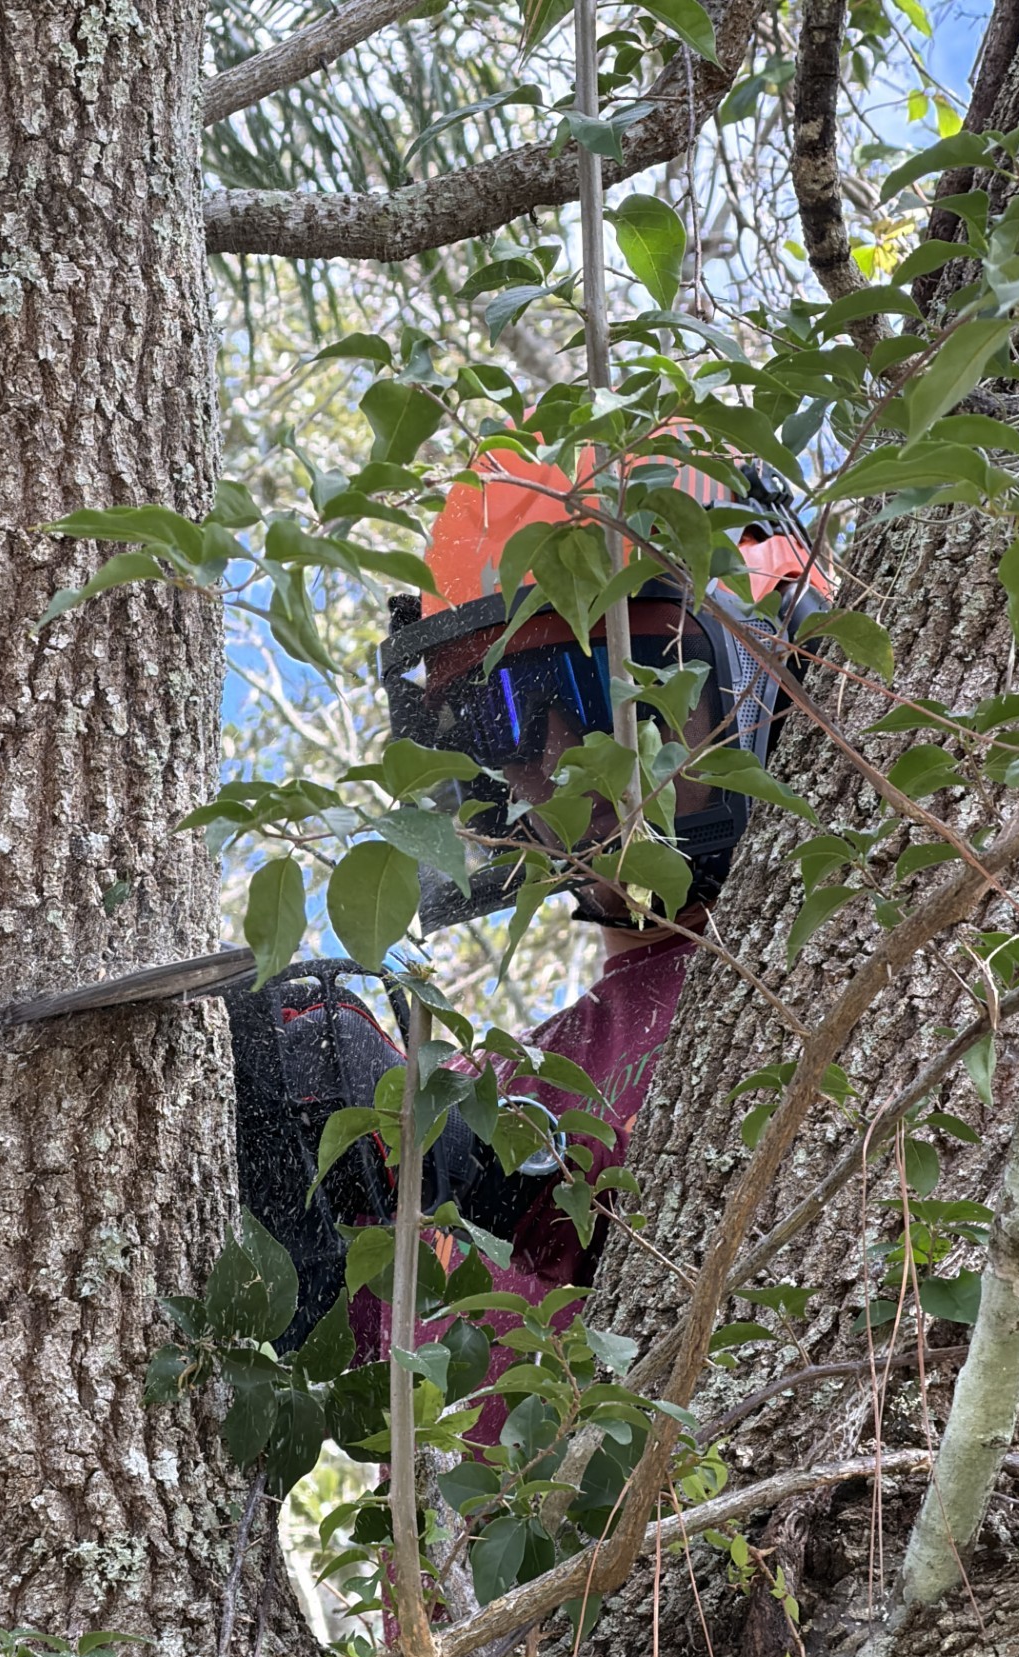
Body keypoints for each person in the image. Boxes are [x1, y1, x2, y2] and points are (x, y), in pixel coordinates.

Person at [353, 445, 829, 1444]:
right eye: (505, 717)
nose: (566, 762)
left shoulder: (863, 976)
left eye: (618, 681)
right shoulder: (495, 1094)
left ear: (777, 669)